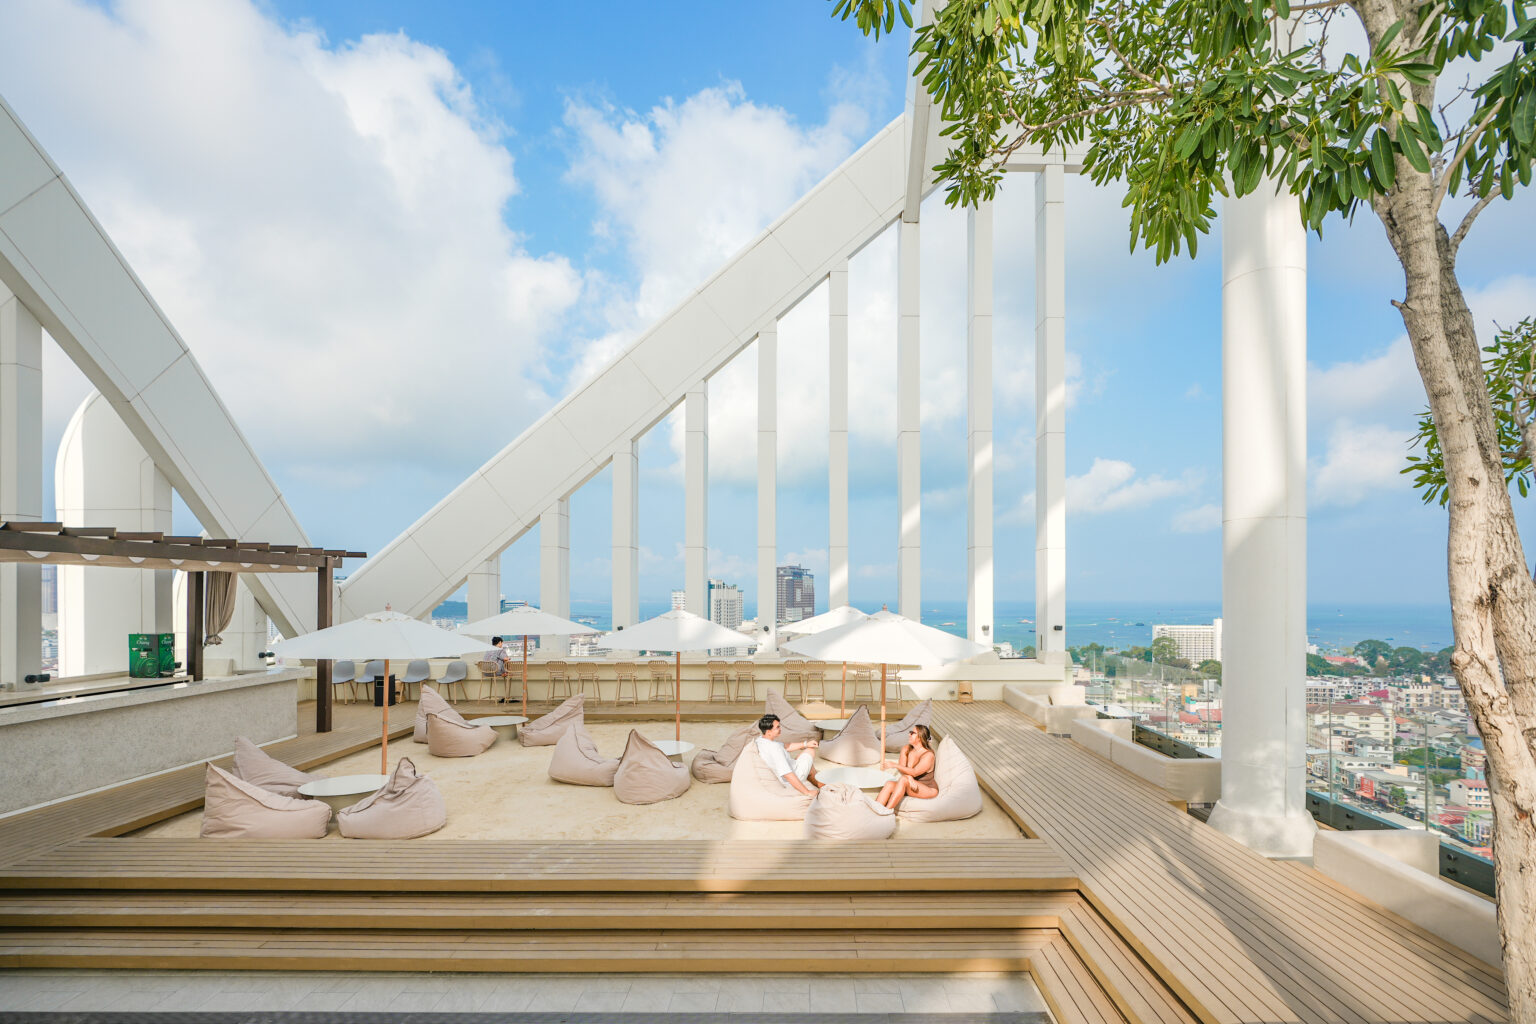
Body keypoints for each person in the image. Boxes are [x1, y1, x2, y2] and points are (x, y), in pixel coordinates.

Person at [755, 713, 823, 796]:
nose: (780, 729)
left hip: (787, 768)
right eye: (777, 727)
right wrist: (807, 792)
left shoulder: (760, 740)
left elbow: (785, 746)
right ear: (769, 732)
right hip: (792, 777)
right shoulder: (775, 748)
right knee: (810, 751)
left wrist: (805, 744)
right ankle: (822, 785)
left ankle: (813, 776)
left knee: (805, 758)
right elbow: (786, 773)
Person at [877, 723, 937, 811]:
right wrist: (909, 778)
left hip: (927, 788)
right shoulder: (906, 749)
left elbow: (915, 772)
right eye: (910, 732)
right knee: (889, 784)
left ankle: (886, 811)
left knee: (903, 779)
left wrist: (894, 765)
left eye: (912, 733)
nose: (909, 734)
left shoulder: (928, 755)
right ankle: (874, 810)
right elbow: (902, 770)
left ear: (920, 737)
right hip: (911, 784)